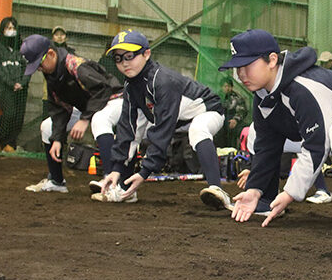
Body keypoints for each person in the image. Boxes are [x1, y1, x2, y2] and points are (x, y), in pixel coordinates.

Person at [222, 29, 332, 238]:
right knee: (255, 133)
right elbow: (267, 145)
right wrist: (254, 189)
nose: (241, 74)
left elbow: (316, 146)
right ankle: (266, 199)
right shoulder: (262, 94)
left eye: (247, 65)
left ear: (272, 60)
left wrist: (289, 193)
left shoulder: (304, 85)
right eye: (238, 67)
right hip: (323, 132)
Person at [96, 29, 231, 210]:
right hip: (176, 118)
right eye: (118, 59)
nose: (124, 63)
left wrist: (144, 172)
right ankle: (124, 187)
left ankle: (217, 189)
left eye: (129, 56)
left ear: (146, 54)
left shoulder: (163, 80)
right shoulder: (131, 85)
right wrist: (116, 169)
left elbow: (162, 129)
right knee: (134, 130)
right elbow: (127, 127)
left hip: (206, 110)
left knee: (198, 130)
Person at [19, 34, 124, 193]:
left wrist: (85, 119)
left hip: (114, 98)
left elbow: (103, 90)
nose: (38, 69)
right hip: (89, 106)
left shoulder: (75, 66)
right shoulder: (52, 75)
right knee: (47, 128)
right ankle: (56, 181)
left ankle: (112, 184)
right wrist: (57, 139)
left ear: (51, 54)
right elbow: (60, 109)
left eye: (39, 64)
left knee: (99, 120)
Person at [0, 17, 29, 153]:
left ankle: (10, 144)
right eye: (8, 28)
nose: (11, 31)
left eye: (13, 28)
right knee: (9, 113)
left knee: (18, 118)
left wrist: (22, 82)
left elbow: (28, 67)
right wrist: (11, 83)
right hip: (4, 86)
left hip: (21, 87)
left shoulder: (22, 47)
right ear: (2, 30)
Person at [217, 77, 248, 148]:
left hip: (232, 122)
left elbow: (242, 110)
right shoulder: (218, 96)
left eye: (229, 86)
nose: (227, 88)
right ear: (221, 87)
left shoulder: (236, 97)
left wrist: (235, 120)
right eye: (225, 86)